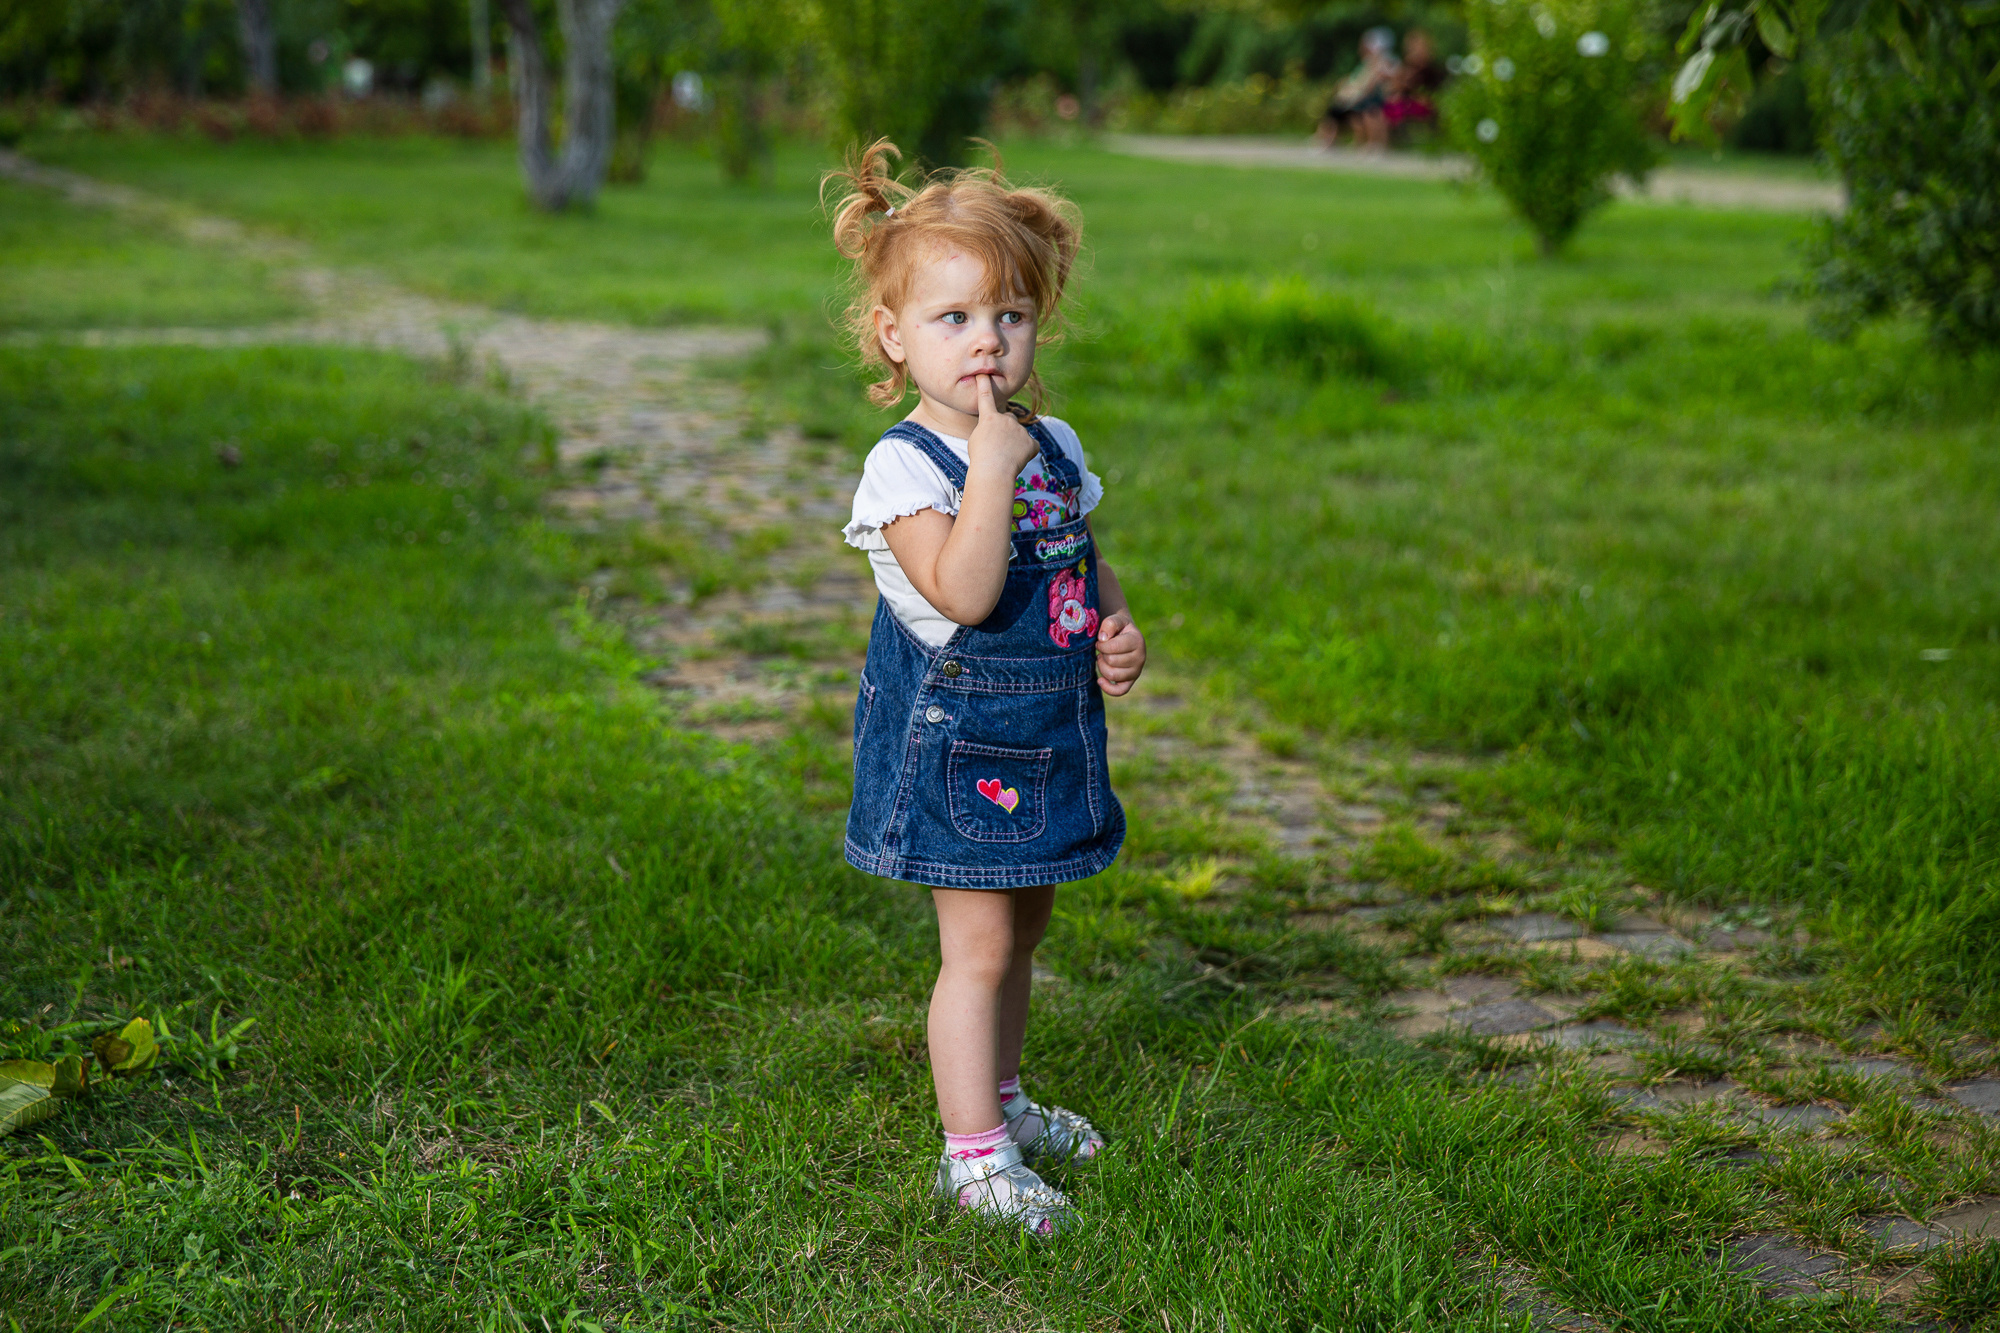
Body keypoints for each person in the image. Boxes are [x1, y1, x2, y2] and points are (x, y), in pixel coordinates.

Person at [825, 139, 1147, 1237]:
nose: (984, 342)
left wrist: (1111, 619)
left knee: (1026, 932)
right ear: (894, 334)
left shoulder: (1048, 441)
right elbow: (963, 593)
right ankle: (971, 1158)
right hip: (960, 752)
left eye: (1006, 317)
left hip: (1049, 733)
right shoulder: (905, 468)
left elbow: (1078, 549)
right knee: (976, 950)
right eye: (953, 319)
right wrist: (992, 474)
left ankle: (1004, 1099)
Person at [1317, 26, 1400, 149]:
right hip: (1361, 97)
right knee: (1337, 108)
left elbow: (1375, 85)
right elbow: (1358, 82)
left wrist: (1354, 93)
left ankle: (1372, 144)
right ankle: (1326, 139)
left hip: (1374, 98)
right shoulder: (1367, 63)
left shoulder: (1386, 63)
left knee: (1363, 108)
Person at [1384, 29, 1447, 137]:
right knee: (1390, 104)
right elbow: (1396, 87)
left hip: (1425, 101)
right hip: (1408, 100)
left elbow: (1436, 90)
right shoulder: (1407, 66)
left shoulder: (1433, 68)